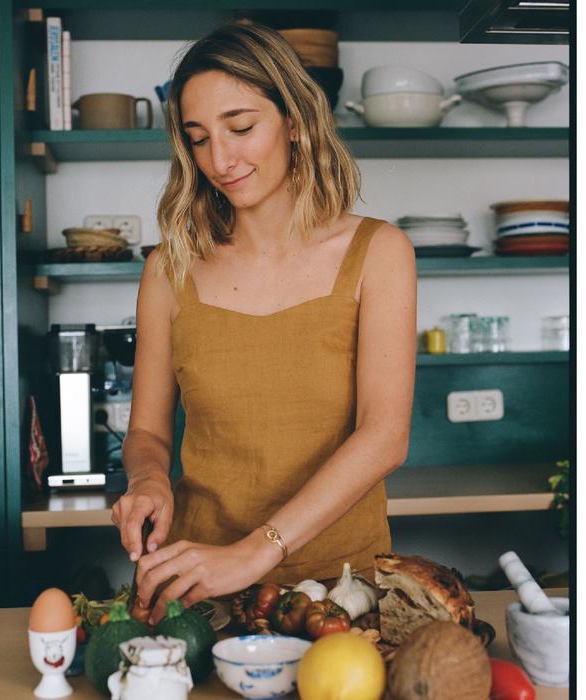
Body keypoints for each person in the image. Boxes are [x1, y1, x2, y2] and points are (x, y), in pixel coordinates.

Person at [110, 20, 417, 624]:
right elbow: (147, 432)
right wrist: (149, 480)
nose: (219, 159)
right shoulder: (167, 270)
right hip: (201, 589)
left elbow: (385, 436)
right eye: (198, 139)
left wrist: (255, 553)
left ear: (296, 122)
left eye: (241, 127)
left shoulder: (379, 253)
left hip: (342, 594)